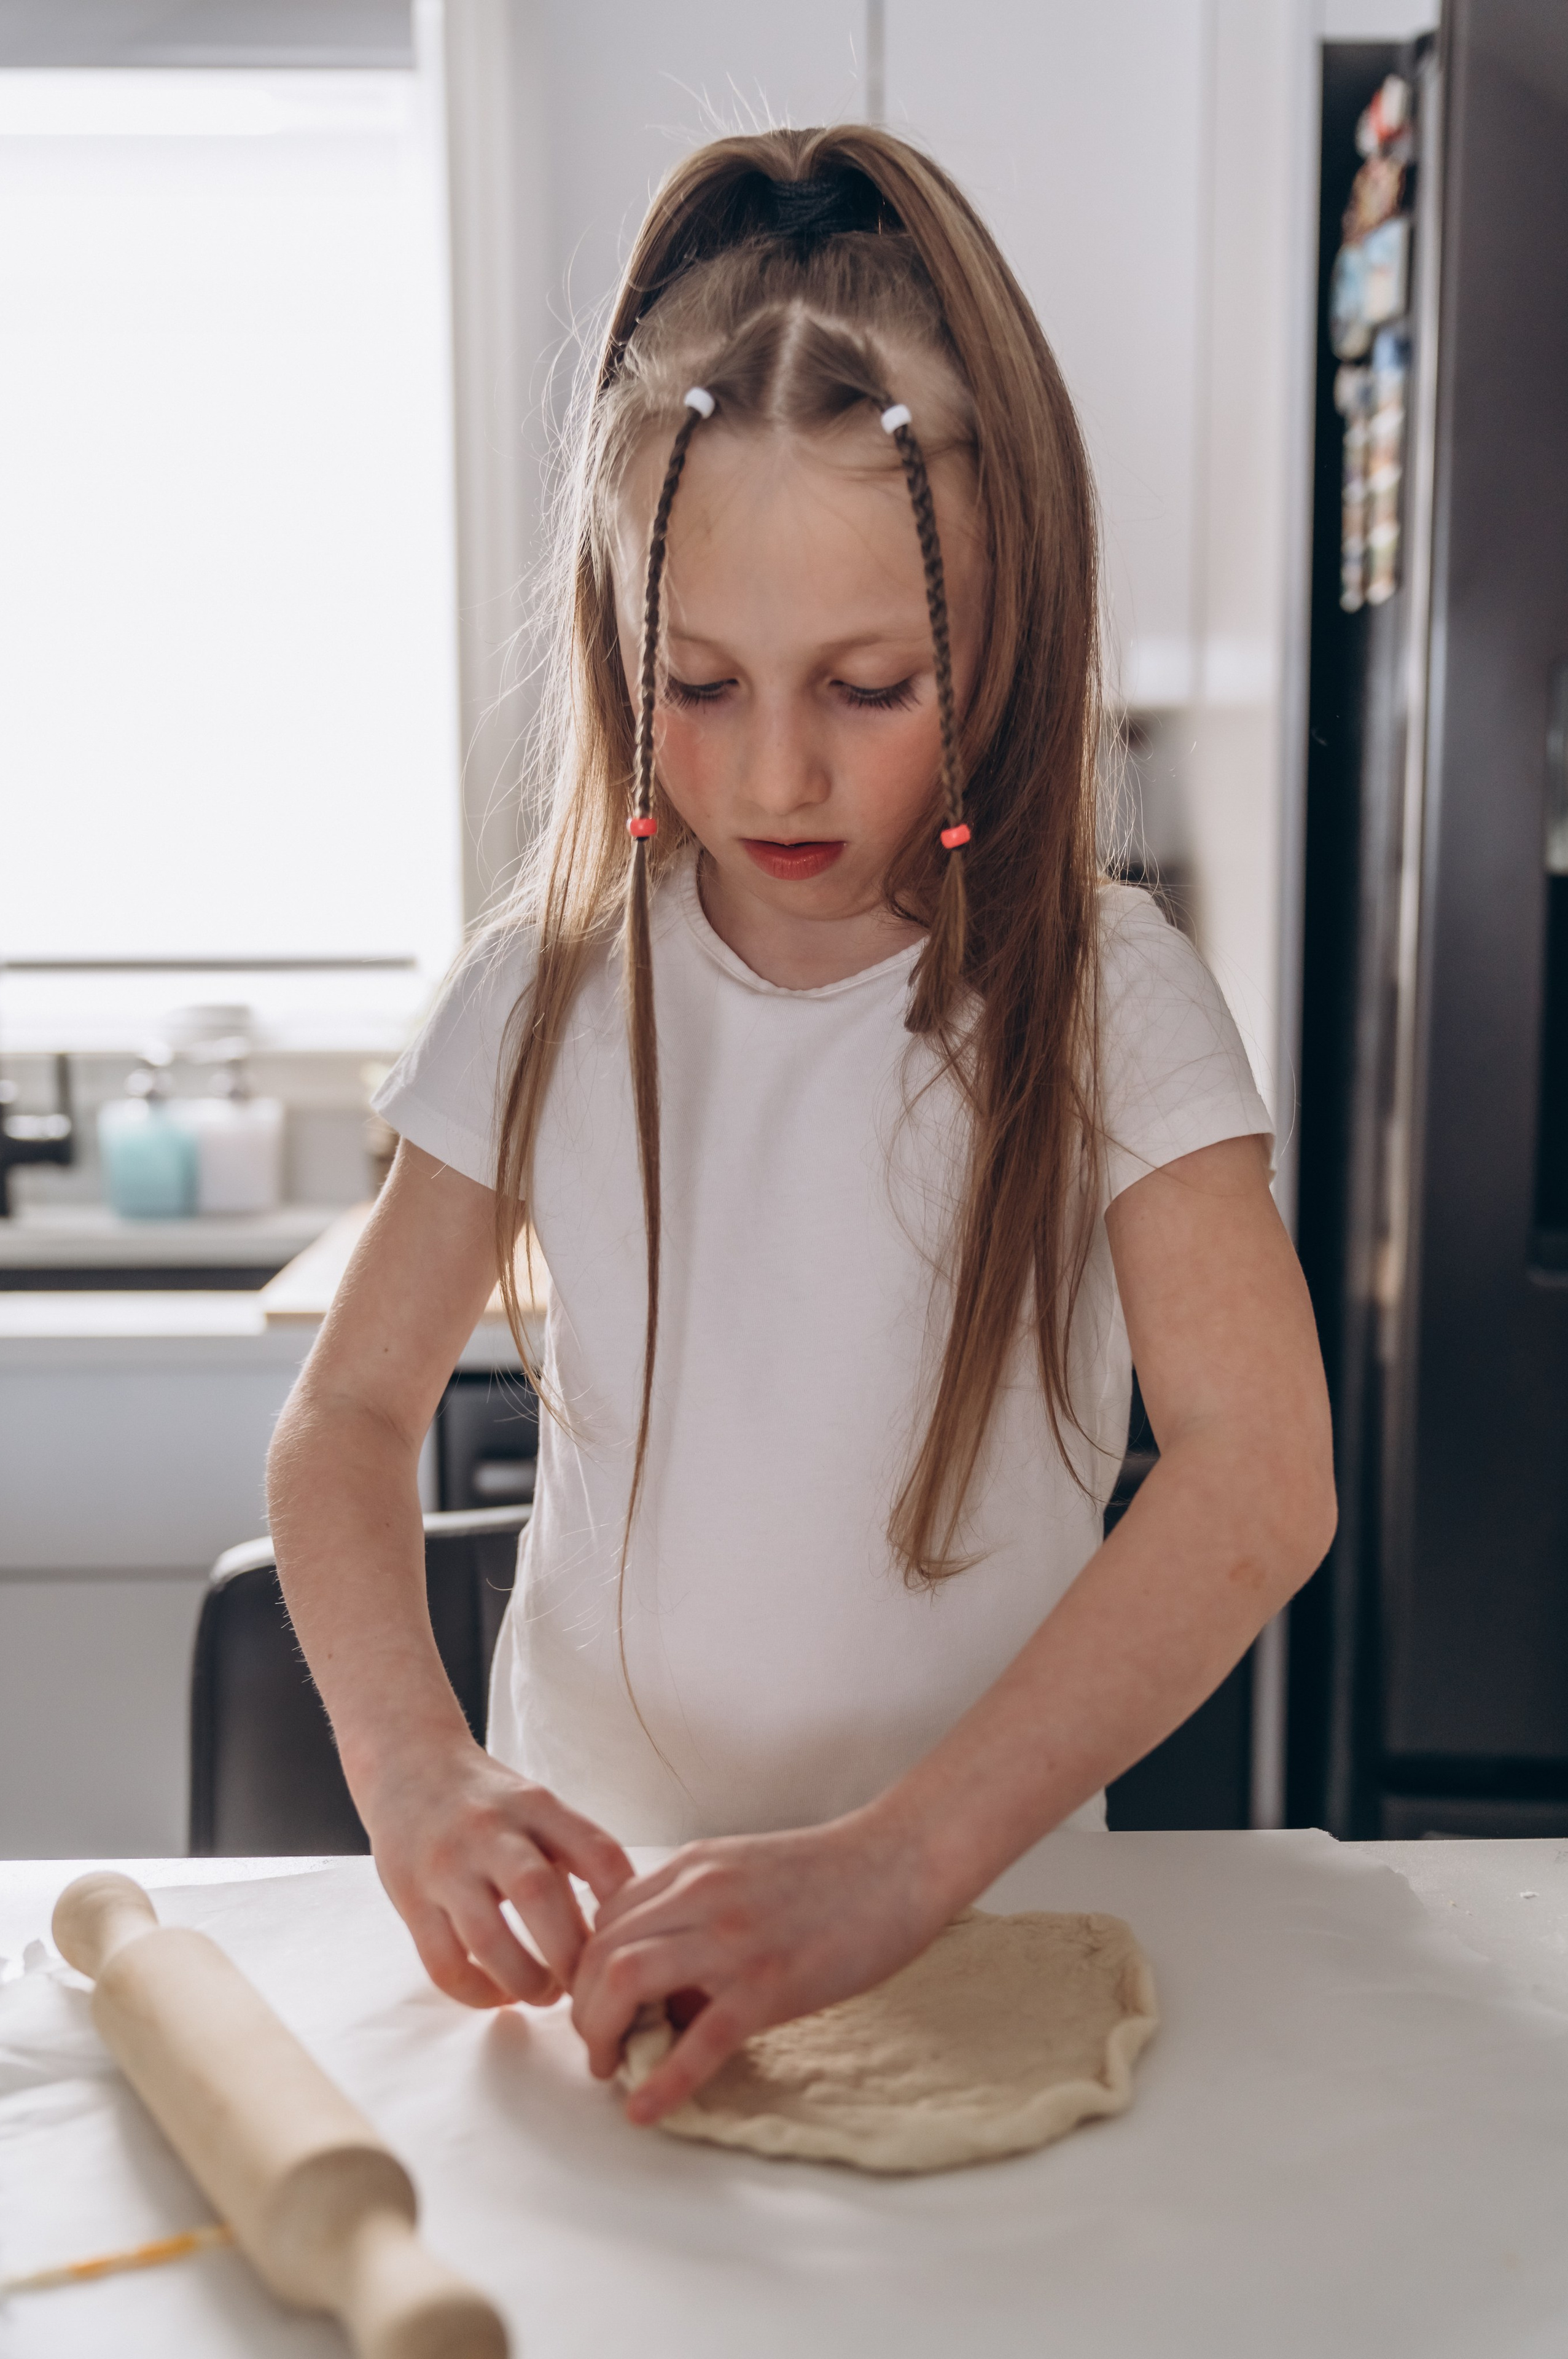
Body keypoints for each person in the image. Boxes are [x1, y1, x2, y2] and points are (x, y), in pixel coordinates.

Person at [267, 125, 1334, 2129]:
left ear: (1004, 637)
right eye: (698, 682)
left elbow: (1265, 1476)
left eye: (867, 685)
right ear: (619, 637)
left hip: (986, 1924)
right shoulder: (544, 994)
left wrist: (895, 1867)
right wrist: (416, 1769)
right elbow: (344, 1422)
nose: (775, 773)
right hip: (598, 1952)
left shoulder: (1108, 1001)